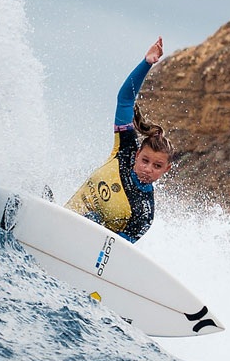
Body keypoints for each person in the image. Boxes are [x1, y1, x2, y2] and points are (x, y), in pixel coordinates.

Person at [66, 37, 172, 243]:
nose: (149, 169)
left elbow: (112, 253)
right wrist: (146, 63)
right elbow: (125, 100)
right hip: (60, 221)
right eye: (145, 160)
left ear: (166, 170)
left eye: (157, 166)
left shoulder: (143, 213)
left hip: (79, 248)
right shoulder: (124, 151)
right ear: (138, 154)